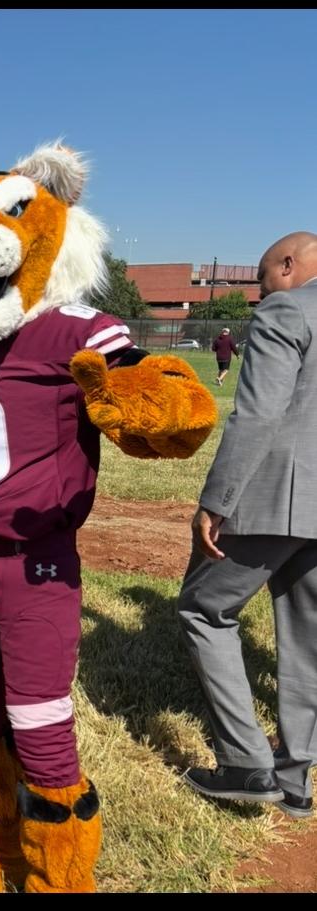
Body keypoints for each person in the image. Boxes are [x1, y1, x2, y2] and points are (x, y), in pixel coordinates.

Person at [178, 231, 317, 821]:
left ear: (288, 265)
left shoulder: (288, 308)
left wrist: (217, 499)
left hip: (276, 494)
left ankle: (245, 764)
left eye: (262, 280)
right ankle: (296, 777)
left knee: (203, 610)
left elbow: (258, 412)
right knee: (309, 635)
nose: (260, 294)